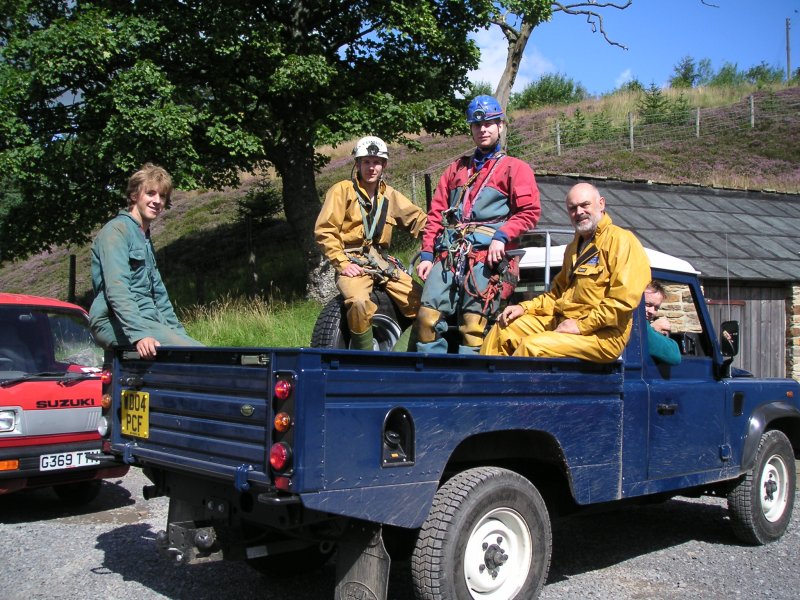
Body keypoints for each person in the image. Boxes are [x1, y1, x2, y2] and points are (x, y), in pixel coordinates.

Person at [414, 95, 541, 354]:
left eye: (490, 124)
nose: (483, 129)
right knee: (426, 319)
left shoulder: (515, 169)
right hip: (449, 256)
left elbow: (529, 212)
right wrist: (427, 253)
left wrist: (502, 235)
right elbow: (436, 212)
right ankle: (432, 382)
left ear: (500, 126)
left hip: (486, 259)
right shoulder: (456, 169)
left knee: (473, 328)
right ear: (471, 129)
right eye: (477, 125)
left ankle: (468, 387)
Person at [480, 182, 650, 362]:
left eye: (585, 205)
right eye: (573, 208)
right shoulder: (573, 248)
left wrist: (581, 325)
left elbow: (622, 302)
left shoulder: (622, 241)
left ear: (601, 203)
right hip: (564, 322)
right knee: (504, 328)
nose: (579, 212)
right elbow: (556, 295)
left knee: (533, 346)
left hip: (602, 336)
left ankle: (508, 389)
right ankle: (482, 384)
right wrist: (523, 307)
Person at [315, 136, 427, 350]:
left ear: (383, 165)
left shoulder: (389, 195)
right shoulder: (342, 191)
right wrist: (343, 264)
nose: (371, 167)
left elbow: (419, 221)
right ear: (357, 164)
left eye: (376, 162)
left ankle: (399, 355)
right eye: (366, 162)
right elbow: (325, 230)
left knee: (426, 306)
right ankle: (365, 356)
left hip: (382, 264)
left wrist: (444, 234)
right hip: (352, 261)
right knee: (358, 303)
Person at [89, 163, 200, 359]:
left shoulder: (144, 237)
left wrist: (178, 333)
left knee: (201, 352)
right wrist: (139, 335)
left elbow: (160, 295)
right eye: (150, 193)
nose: (157, 201)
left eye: (162, 196)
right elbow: (117, 288)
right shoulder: (117, 231)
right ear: (134, 196)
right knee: (201, 357)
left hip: (148, 321)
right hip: (113, 321)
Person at [644, 280, 682, 365]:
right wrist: (653, 328)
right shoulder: (640, 327)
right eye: (648, 304)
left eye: (656, 308)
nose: (652, 311)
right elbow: (674, 356)